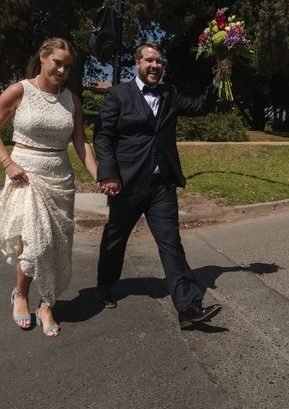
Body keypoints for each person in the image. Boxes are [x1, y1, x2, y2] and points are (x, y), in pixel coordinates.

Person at [94, 41, 226, 328]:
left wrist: (220, 77)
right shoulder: (118, 95)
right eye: (150, 60)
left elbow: (202, 106)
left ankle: (188, 308)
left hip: (161, 186)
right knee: (116, 238)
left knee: (171, 244)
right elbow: (102, 136)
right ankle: (104, 284)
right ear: (137, 64)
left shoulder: (170, 93)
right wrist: (108, 174)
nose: (155, 65)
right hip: (127, 185)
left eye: (159, 61)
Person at [0, 37, 98, 337]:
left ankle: (47, 304)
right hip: (24, 175)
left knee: (57, 248)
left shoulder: (71, 100)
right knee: (35, 245)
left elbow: (80, 141)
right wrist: (7, 163)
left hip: (60, 178)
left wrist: (100, 174)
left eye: (67, 66)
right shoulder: (19, 90)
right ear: (43, 57)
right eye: (57, 63)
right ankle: (20, 294)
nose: (62, 70)